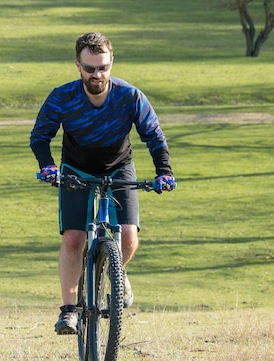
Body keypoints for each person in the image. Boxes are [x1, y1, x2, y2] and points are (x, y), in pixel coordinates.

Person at [30, 32, 176, 335]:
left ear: (112, 63)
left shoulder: (130, 96)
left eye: (103, 67)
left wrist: (164, 172)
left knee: (128, 236)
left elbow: (154, 137)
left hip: (119, 167)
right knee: (73, 238)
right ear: (77, 66)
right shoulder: (63, 97)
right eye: (90, 68)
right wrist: (48, 167)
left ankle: (117, 273)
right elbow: (40, 136)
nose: (97, 74)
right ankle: (69, 310)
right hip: (76, 170)